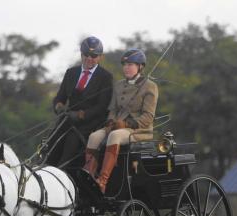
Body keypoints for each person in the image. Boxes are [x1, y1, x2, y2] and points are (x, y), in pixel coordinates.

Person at [83, 48, 158, 193]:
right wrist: (111, 122)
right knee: (94, 136)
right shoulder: (118, 85)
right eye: (125, 65)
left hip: (139, 130)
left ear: (140, 67)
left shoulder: (150, 86)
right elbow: (113, 110)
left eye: (130, 65)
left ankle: (102, 181)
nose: (126, 68)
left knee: (114, 136)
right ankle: (89, 176)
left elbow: (148, 117)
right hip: (116, 126)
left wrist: (126, 124)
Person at [45, 36, 113, 168]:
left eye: (94, 56)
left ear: (100, 57)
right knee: (50, 146)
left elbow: (102, 107)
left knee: (70, 144)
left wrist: (81, 114)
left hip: (89, 124)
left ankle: (63, 172)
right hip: (67, 120)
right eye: (86, 54)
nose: (89, 58)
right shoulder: (71, 73)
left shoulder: (105, 77)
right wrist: (59, 107)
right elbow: (60, 97)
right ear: (81, 54)